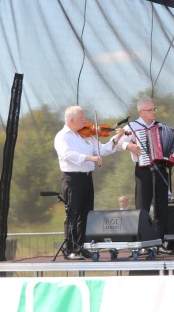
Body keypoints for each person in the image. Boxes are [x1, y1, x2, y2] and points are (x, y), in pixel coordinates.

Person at [53, 105, 120, 259]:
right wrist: (90, 158)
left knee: (86, 214)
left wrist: (117, 138)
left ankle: (82, 246)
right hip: (72, 179)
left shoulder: (87, 136)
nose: (85, 120)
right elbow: (67, 155)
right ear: (71, 120)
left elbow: (102, 150)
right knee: (73, 213)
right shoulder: (62, 136)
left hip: (87, 178)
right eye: (81, 118)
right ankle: (70, 249)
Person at [119, 98, 174, 251]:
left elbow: (173, 148)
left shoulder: (160, 126)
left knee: (161, 206)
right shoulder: (133, 126)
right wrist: (129, 146)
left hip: (160, 168)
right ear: (141, 111)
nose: (153, 112)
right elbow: (118, 142)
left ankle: (158, 242)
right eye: (150, 110)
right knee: (143, 206)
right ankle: (143, 243)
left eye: (154, 109)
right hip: (143, 170)